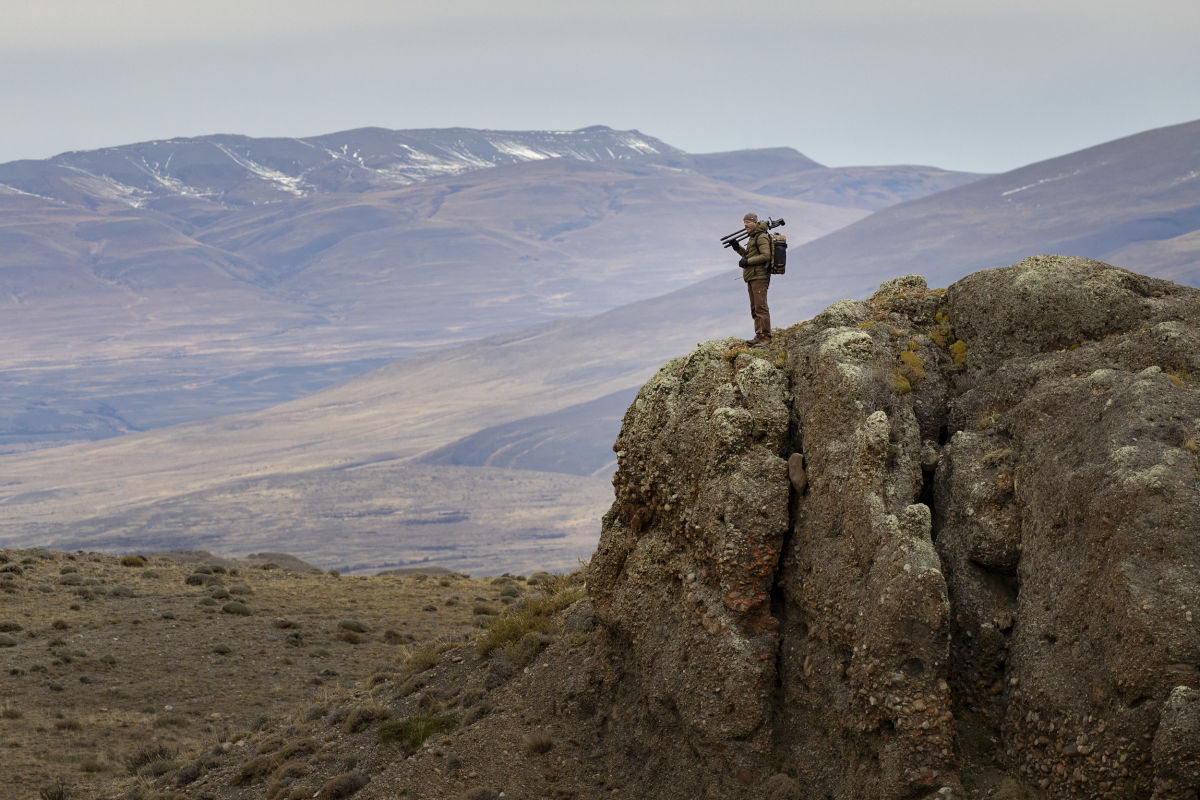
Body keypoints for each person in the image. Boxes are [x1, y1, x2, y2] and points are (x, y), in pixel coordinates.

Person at [729, 212, 772, 346]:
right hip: (752, 276)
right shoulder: (753, 237)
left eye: (747, 222)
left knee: (761, 307)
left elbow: (766, 255)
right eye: (744, 223)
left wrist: (747, 261)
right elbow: (748, 255)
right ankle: (758, 335)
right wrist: (737, 248)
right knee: (755, 308)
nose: (745, 225)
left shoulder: (761, 237)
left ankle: (766, 337)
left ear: (754, 222)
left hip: (760, 276)